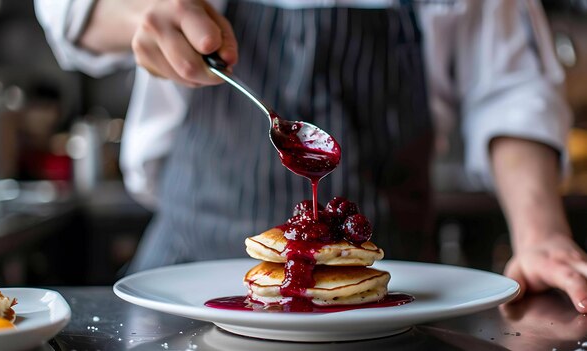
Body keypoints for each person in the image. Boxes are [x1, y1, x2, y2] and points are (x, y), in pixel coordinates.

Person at [34, 0, 587, 312]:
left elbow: (512, 86)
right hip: (188, 273)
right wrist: (142, 16)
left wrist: (539, 235)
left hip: (392, 290)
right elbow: (69, 10)